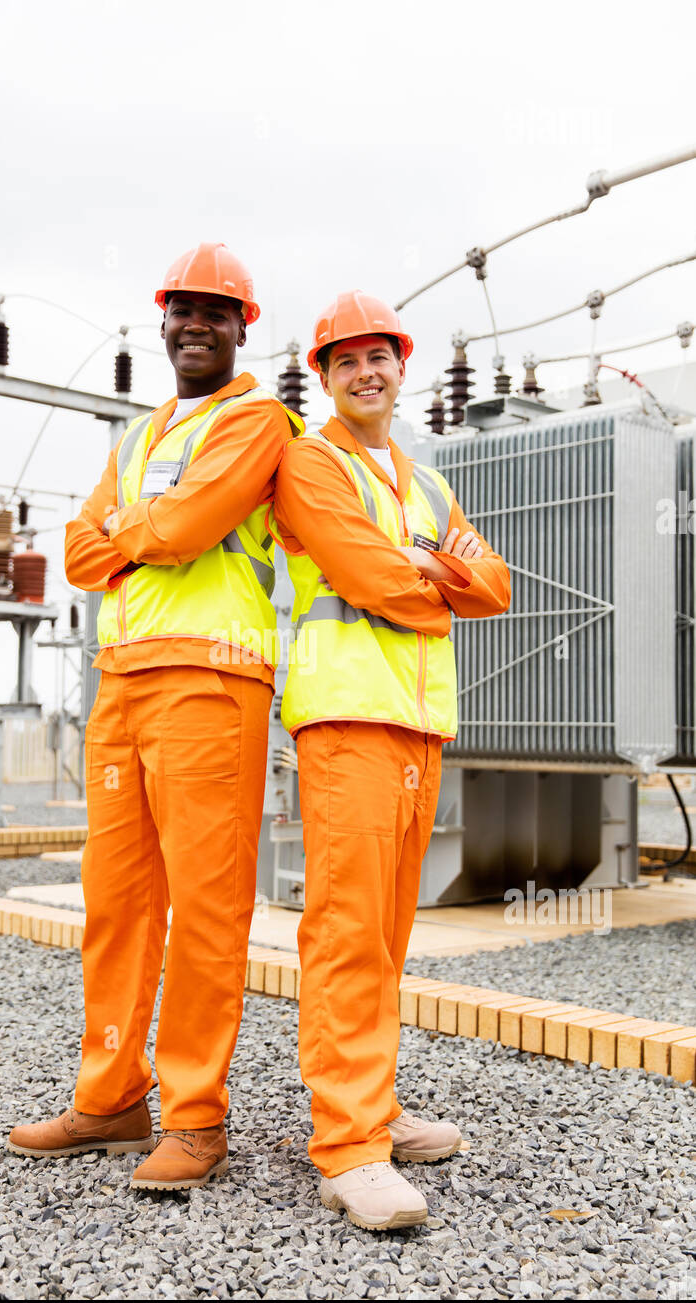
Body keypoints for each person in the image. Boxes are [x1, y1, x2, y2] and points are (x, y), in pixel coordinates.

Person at [8, 243, 303, 1190]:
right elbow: (78, 552)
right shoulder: (139, 438)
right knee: (117, 902)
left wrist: (137, 534)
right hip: (124, 683)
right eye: (184, 308)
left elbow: (184, 527)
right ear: (164, 319)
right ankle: (110, 1099)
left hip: (212, 682)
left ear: (242, 325)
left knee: (207, 910)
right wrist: (145, 533)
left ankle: (195, 1119)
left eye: (218, 310)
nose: (197, 323)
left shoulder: (260, 419)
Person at [270, 291, 511, 1230]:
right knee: (345, 929)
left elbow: (494, 586)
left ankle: (373, 1105)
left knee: (388, 932)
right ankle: (348, 1146)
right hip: (345, 718)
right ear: (325, 376)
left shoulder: (421, 481)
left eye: (381, 357)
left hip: (419, 725)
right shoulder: (311, 461)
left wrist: (438, 576)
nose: (367, 372)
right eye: (347, 360)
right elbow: (370, 577)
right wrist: (434, 578)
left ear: (400, 368)